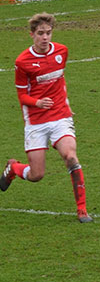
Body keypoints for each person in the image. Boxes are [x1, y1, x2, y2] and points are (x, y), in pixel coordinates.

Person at [1, 13, 92, 223]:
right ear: (32, 35)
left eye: (48, 33)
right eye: (40, 33)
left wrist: (66, 104)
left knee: (71, 157)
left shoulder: (62, 51)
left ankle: (82, 211)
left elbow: (60, 80)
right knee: (37, 175)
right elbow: (22, 95)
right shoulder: (22, 62)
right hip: (36, 121)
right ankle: (14, 168)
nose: (45, 38)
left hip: (60, 115)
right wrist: (37, 103)